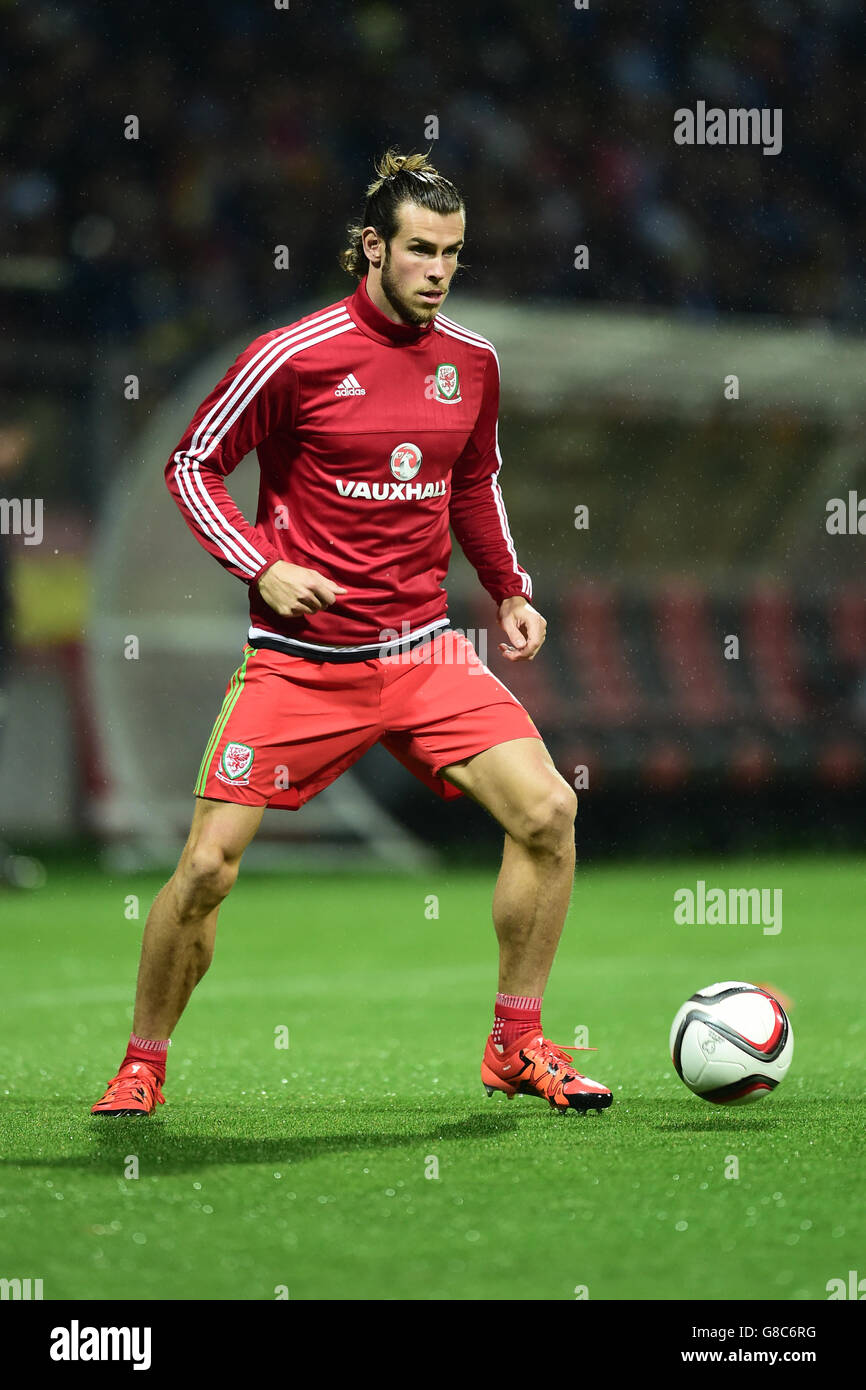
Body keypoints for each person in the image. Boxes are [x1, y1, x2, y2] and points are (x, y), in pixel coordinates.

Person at [91, 149, 612, 1118]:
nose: (437, 269)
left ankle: (517, 1042)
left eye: (452, 253)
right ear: (371, 246)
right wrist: (262, 564)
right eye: (419, 249)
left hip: (422, 655)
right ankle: (143, 1060)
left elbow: (470, 482)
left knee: (546, 811)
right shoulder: (290, 357)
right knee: (205, 869)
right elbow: (191, 466)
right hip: (300, 666)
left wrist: (508, 589)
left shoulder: (471, 362)